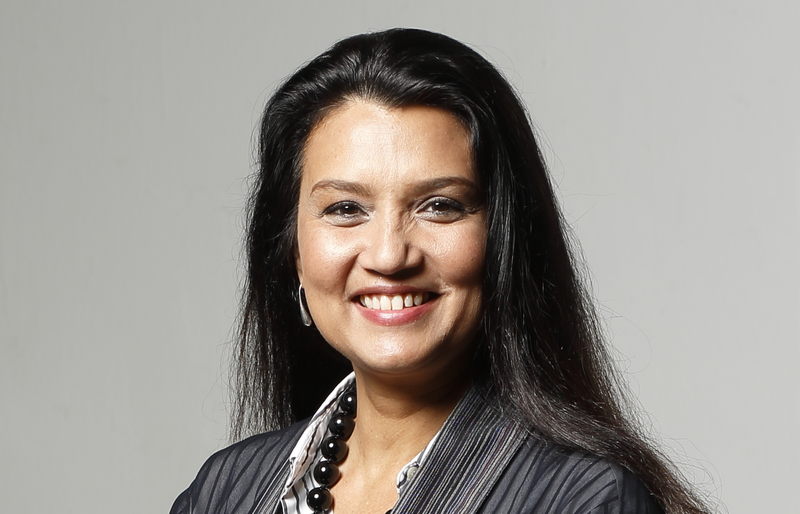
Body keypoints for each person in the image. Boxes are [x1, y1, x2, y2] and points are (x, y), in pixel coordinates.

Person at [170, 28, 711, 514]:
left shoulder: (583, 500)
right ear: (292, 250)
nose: (389, 256)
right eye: (345, 209)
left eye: (439, 206)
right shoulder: (223, 492)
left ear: (503, 240)